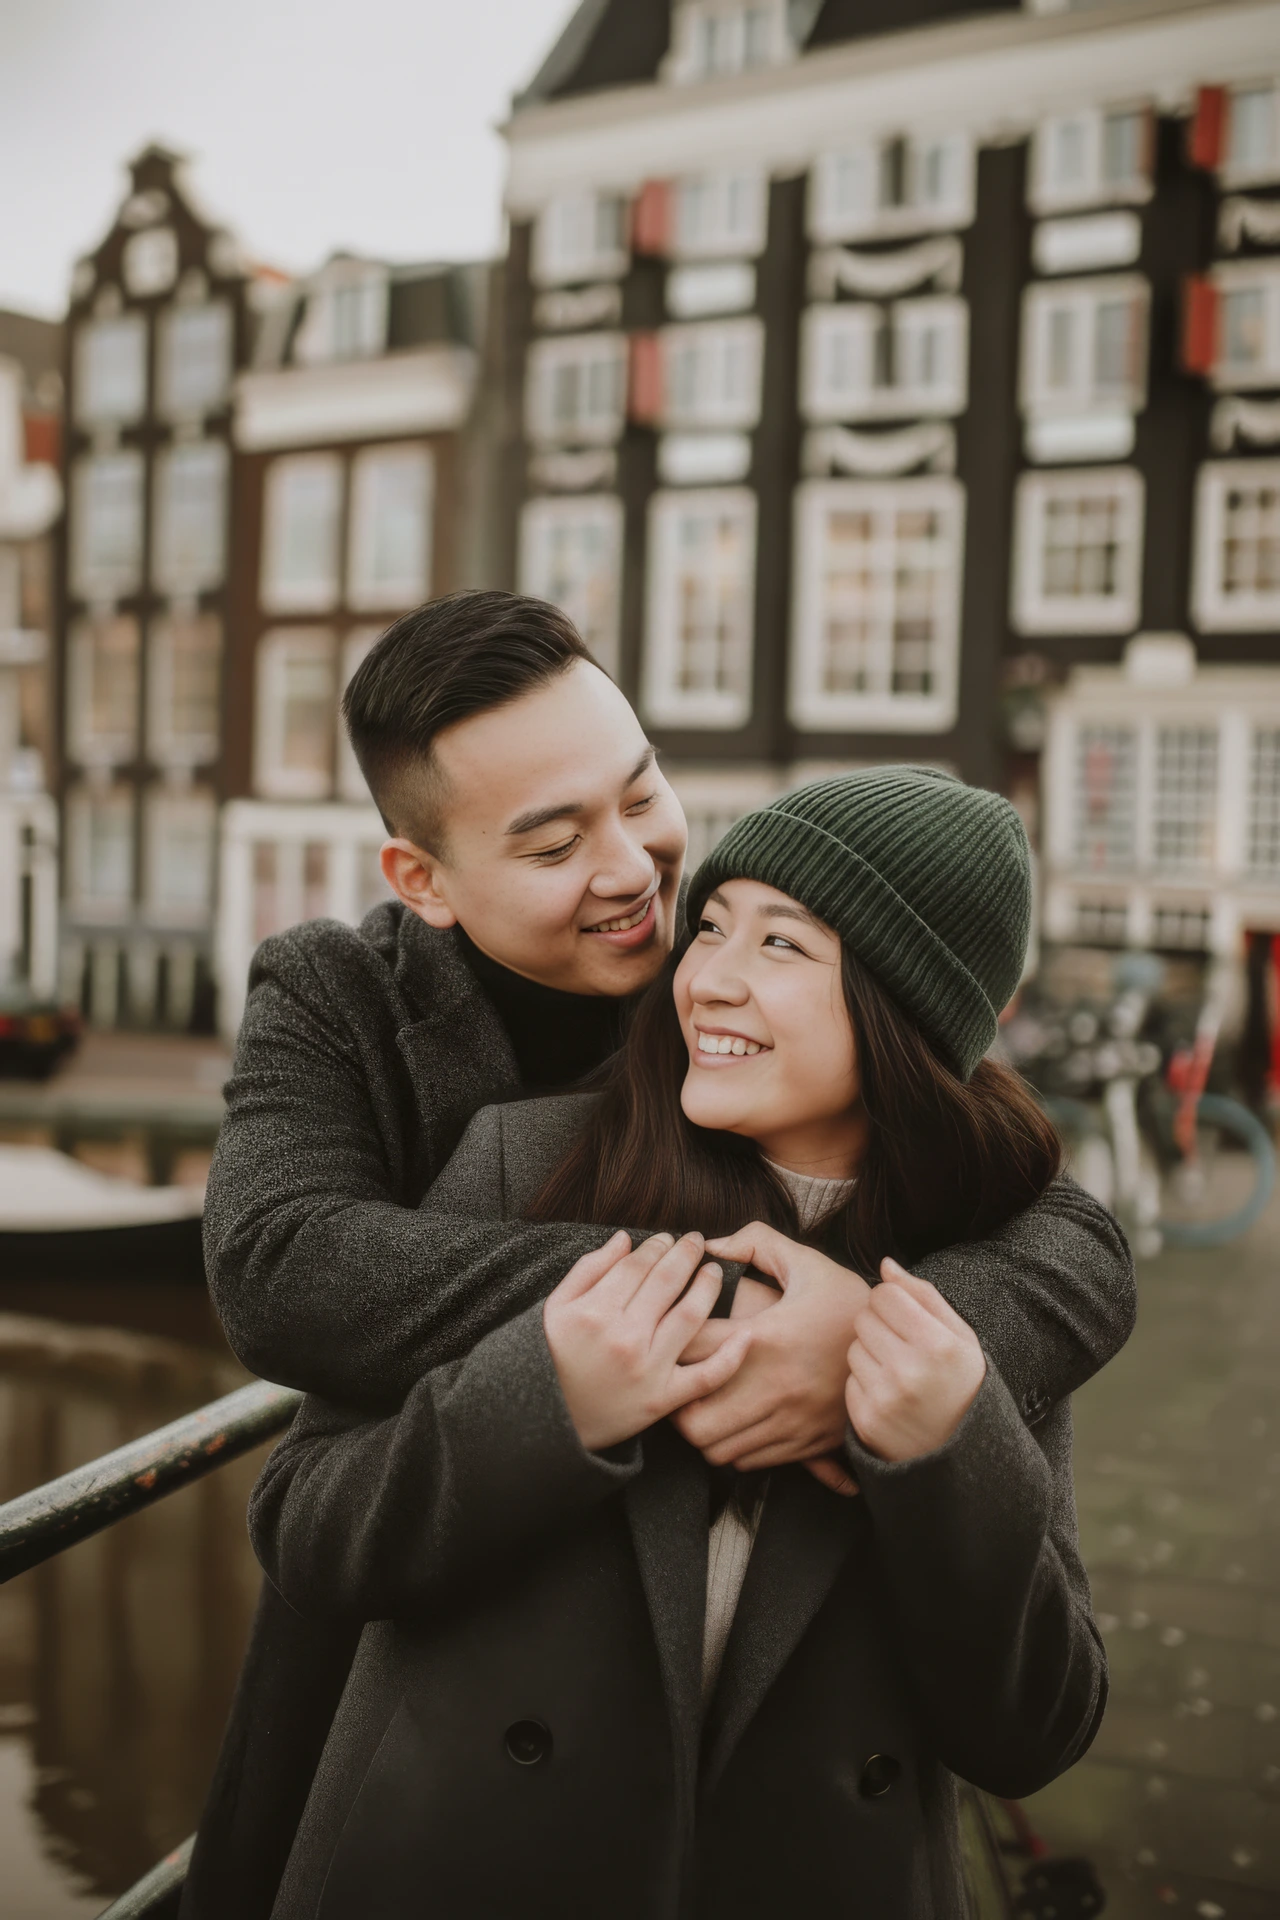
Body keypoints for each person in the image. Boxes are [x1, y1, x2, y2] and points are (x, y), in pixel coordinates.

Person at [184, 594, 1134, 1916]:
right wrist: (724, 1301)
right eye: (553, 840)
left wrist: (891, 1353)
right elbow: (284, 1266)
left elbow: (1046, 1214)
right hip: (415, 1731)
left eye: (640, 792)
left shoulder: (762, 1002)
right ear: (426, 881)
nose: (639, 876)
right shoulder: (352, 1008)